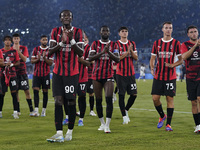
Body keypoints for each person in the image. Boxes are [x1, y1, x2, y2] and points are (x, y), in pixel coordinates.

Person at [46, 10, 84, 142]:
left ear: (72, 18)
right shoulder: (55, 31)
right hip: (57, 73)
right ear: (60, 19)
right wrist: (61, 42)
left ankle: (70, 132)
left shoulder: (79, 32)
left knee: (71, 102)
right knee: (58, 101)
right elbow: (49, 52)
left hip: (72, 73)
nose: (66, 17)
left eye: (68, 16)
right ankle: (59, 133)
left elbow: (80, 53)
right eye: (64, 16)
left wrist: (72, 40)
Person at [150, 21, 182, 131]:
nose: (168, 29)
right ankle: (162, 115)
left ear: (172, 30)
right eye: (166, 28)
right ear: (162, 29)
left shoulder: (177, 43)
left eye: (170, 28)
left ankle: (168, 124)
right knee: (155, 99)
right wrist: (151, 67)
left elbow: (181, 60)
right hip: (159, 75)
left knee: (169, 99)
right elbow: (153, 58)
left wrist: (173, 65)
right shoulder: (157, 43)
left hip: (170, 76)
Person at [89, 25, 120, 133]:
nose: (105, 32)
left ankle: (107, 125)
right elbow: (90, 58)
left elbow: (117, 59)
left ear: (109, 33)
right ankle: (102, 123)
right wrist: (102, 52)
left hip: (108, 75)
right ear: (100, 33)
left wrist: (108, 52)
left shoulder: (114, 44)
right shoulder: (95, 44)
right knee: (98, 100)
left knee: (108, 98)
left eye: (107, 30)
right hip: (96, 75)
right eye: (103, 31)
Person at [115, 26, 138, 124]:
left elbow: (136, 58)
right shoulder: (116, 44)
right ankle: (124, 116)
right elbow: (117, 58)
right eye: (122, 31)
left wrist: (131, 50)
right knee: (121, 95)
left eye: (126, 31)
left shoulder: (132, 43)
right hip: (120, 74)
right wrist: (127, 52)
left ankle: (126, 109)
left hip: (131, 74)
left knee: (134, 94)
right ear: (119, 33)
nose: (124, 33)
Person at [181, 25, 200, 133]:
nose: (194, 33)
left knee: (199, 99)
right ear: (188, 34)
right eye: (191, 32)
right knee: (193, 102)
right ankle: (197, 125)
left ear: (198, 33)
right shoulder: (185, 45)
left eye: (195, 31)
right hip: (190, 78)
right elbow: (184, 57)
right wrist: (195, 46)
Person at [31, 35, 53, 117]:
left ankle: (44, 111)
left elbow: (50, 63)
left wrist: (44, 58)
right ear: (40, 40)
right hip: (37, 74)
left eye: (46, 40)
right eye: (43, 40)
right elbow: (32, 61)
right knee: (35, 91)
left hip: (45, 74)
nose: (45, 41)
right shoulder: (36, 49)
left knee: (45, 93)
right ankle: (36, 110)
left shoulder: (49, 50)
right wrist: (38, 59)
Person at [12, 33, 34, 116]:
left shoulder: (24, 48)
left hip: (22, 73)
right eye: (15, 39)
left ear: (19, 39)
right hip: (14, 73)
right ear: (13, 40)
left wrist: (18, 52)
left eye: (17, 38)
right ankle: (17, 111)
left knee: (27, 91)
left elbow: (25, 59)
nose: (16, 40)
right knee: (16, 92)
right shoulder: (10, 49)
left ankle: (31, 110)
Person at [0, 35, 20, 119]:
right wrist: (5, 64)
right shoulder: (1, 51)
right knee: (1, 94)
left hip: (12, 75)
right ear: (3, 42)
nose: (7, 42)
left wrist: (11, 64)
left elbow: (18, 63)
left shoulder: (14, 52)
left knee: (14, 93)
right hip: (3, 75)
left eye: (9, 40)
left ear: (11, 42)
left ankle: (15, 112)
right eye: (6, 40)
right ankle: (0, 112)